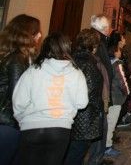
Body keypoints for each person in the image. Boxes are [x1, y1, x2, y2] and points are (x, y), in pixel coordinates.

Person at [12, 33, 88, 165]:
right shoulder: (76, 72)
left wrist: (24, 120)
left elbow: (19, 101)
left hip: (32, 128)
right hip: (60, 129)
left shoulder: (33, 70)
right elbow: (82, 103)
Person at [0, 14, 41, 164]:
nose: (40, 35)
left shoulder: (13, 56)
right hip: (9, 124)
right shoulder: (17, 60)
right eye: (36, 31)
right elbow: (19, 97)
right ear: (27, 35)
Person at [65, 29, 104, 165]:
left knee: (72, 153)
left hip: (70, 116)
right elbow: (90, 93)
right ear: (94, 46)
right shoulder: (89, 64)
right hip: (85, 118)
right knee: (75, 155)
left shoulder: (71, 59)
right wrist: (99, 110)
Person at [88, 15, 113, 165]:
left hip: (99, 91)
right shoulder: (98, 42)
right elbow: (101, 68)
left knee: (100, 127)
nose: (110, 29)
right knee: (99, 128)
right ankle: (96, 160)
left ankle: (97, 158)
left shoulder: (100, 41)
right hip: (98, 92)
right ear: (103, 29)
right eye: (109, 26)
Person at [104, 32, 129, 158]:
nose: (120, 52)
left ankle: (105, 144)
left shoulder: (106, 61)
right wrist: (127, 92)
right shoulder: (117, 63)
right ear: (115, 51)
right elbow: (122, 80)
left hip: (107, 96)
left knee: (107, 122)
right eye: (119, 50)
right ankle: (107, 147)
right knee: (111, 122)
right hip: (116, 97)